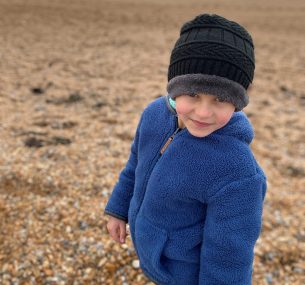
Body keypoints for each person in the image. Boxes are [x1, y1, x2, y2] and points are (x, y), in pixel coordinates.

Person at [104, 13, 267, 285]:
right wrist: (118, 209)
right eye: (192, 95)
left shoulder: (238, 172)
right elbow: (135, 165)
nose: (203, 112)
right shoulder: (154, 114)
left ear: (238, 102)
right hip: (153, 257)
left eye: (221, 99)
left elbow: (230, 256)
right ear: (174, 88)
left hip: (185, 276)